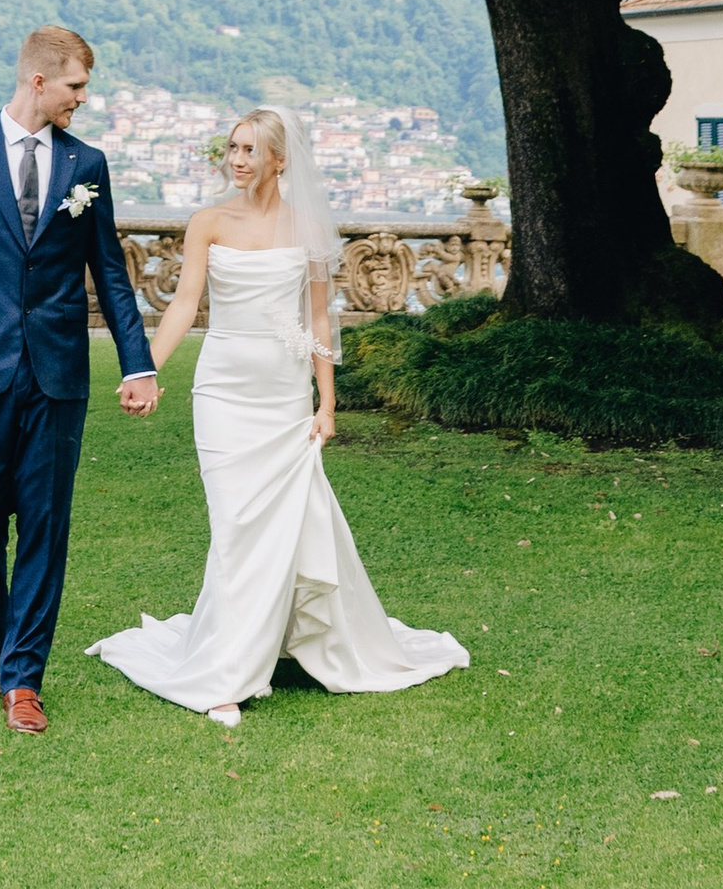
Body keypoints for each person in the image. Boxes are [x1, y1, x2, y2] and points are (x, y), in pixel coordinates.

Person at [90, 106, 470, 726]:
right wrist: (145, 368)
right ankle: (226, 674)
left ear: (279, 159)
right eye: (232, 149)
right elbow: (185, 305)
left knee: (286, 527)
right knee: (236, 528)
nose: (236, 160)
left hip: (284, 396)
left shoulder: (306, 229)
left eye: (248, 150)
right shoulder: (207, 222)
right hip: (222, 393)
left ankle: (276, 650)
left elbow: (320, 320)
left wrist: (327, 400)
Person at [0, 25, 157, 734]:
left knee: (46, 527)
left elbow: (109, 271)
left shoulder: (89, 164)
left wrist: (137, 363)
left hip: (57, 376)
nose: (83, 99)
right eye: (77, 86)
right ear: (39, 81)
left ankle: (24, 677)